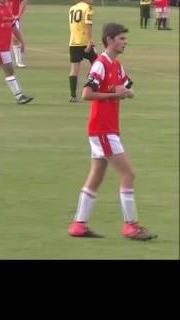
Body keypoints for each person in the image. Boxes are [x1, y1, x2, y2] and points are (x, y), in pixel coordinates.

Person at [68, 23, 157, 240]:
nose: (125, 43)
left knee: (97, 175)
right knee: (128, 174)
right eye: (121, 39)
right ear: (109, 40)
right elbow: (87, 94)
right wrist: (113, 94)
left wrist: (126, 92)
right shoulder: (100, 65)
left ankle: (79, 225)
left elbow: (129, 89)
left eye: (125, 39)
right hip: (102, 129)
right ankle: (131, 226)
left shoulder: (117, 66)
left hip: (108, 129)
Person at [68, 0, 98, 102]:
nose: (93, 0)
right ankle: (90, 88)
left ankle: (73, 95)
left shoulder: (72, 8)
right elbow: (88, 25)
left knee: (74, 70)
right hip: (84, 42)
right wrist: (90, 42)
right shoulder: (88, 8)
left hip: (73, 42)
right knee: (97, 65)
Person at [1, 0, 28, 68]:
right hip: (1, 18)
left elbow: (24, 0)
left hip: (12, 18)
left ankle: (18, 61)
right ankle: (1, 60)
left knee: (15, 38)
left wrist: (19, 14)